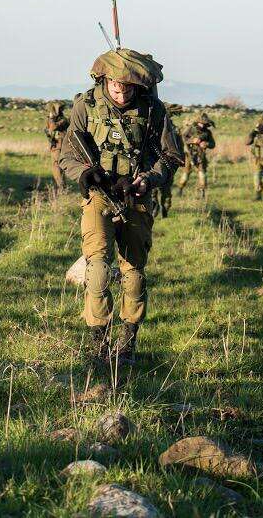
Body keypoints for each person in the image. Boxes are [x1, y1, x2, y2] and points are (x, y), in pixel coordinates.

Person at [56, 48, 184, 366]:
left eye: (127, 85)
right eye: (115, 83)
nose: (120, 90)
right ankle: (100, 343)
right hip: (99, 195)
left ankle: (127, 342)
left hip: (136, 199)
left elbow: (170, 157)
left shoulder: (153, 111)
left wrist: (148, 179)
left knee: (133, 272)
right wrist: (85, 173)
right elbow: (67, 154)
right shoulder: (86, 106)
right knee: (97, 268)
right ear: (104, 78)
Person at [177, 112, 216, 196]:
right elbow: (183, 138)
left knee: (202, 174)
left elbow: (213, 144)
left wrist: (206, 144)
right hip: (189, 154)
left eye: (204, 123)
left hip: (201, 155)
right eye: (201, 123)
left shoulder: (208, 132)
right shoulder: (190, 129)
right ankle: (180, 189)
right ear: (198, 122)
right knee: (186, 173)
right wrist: (192, 140)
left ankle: (202, 192)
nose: (202, 125)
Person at [44, 100, 70, 189]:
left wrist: (51, 118)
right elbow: (48, 129)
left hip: (59, 147)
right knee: (56, 167)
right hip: (55, 146)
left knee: (57, 166)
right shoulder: (51, 119)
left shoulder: (63, 120)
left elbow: (52, 128)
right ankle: (60, 186)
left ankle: (61, 187)